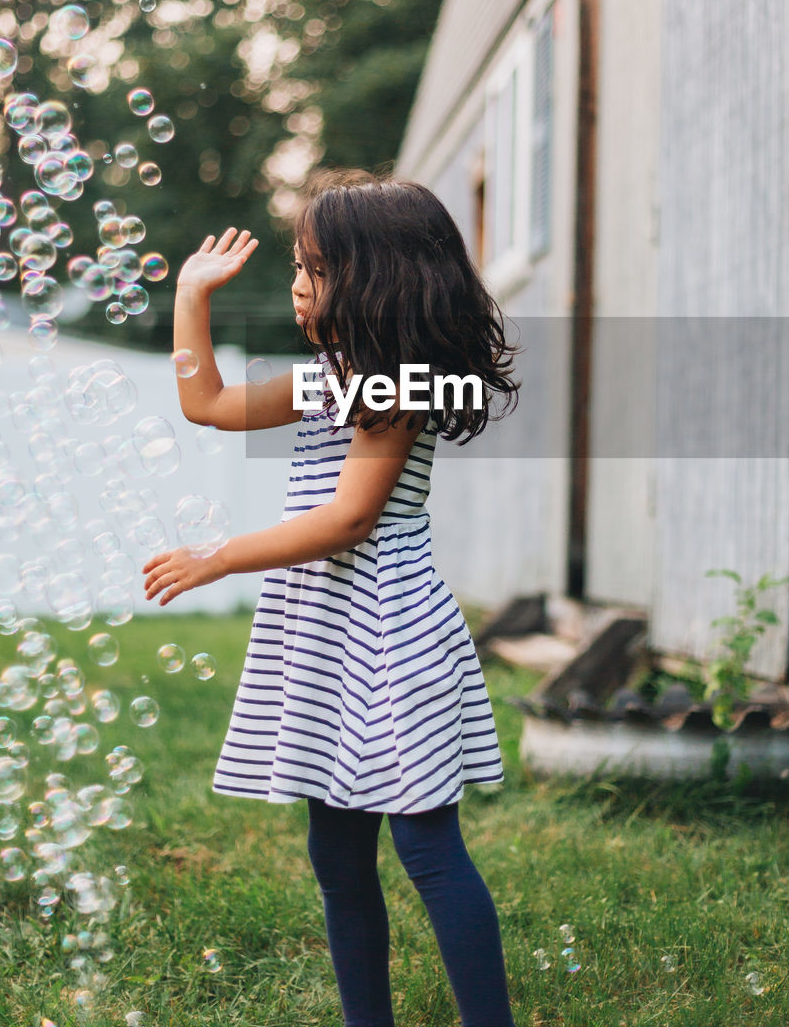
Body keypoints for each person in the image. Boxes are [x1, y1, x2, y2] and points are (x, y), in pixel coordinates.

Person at [142, 168, 523, 1027]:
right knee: (337, 859)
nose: (297, 285)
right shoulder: (332, 377)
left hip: (389, 633)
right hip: (322, 634)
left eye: (312, 269)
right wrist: (191, 296)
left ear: (374, 279)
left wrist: (220, 557)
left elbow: (350, 518)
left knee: (427, 848)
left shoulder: (397, 386)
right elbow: (205, 403)